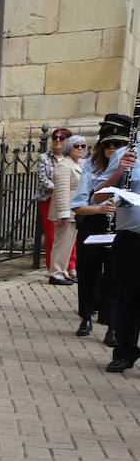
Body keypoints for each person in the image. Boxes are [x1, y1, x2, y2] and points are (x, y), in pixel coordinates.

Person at [72, 116, 130, 340]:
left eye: (117, 144)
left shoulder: (132, 168)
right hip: (94, 224)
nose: (112, 149)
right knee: (88, 272)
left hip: (120, 225)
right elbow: (78, 206)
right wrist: (99, 210)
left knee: (115, 276)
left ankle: (112, 326)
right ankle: (86, 317)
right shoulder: (91, 167)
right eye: (108, 144)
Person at [102, 138, 140, 373]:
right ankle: (125, 352)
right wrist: (118, 172)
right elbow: (97, 195)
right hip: (131, 239)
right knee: (128, 298)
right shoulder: (126, 153)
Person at [47, 135, 87, 286]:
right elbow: (62, 191)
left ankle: (63, 270)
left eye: (83, 146)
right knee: (61, 243)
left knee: (69, 244)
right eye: (76, 146)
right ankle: (55, 273)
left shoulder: (78, 164)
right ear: (68, 148)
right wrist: (62, 214)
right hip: (67, 210)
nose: (80, 149)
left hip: (76, 210)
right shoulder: (64, 165)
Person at [38, 128, 75, 278]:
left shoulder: (72, 158)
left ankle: (70, 266)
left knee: (70, 234)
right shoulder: (44, 157)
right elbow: (42, 178)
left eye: (62, 138)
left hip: (69, 199)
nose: (58, 140)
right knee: (52, 234)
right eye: (55, 137)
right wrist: (57, 189)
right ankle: (53, 267)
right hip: (50, 198)